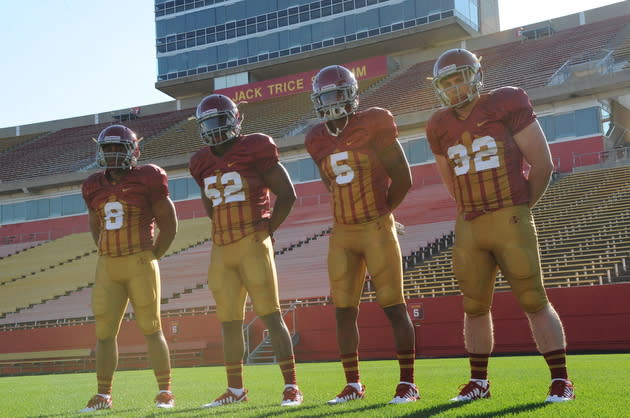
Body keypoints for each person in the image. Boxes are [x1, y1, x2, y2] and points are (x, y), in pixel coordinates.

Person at [426, 48, 575, 403]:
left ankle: (560, 380)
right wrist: (473, 209)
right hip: (470, 223)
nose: (455, 87)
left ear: (476, 75)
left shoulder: (505, 102)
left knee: (534, 299)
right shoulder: (438, 124)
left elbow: (542, 164)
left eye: (460, 77)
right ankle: (479, 382)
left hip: (508, 214)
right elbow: (450, 183)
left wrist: (520, 208)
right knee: (473, 306)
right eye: (447, 82)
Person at [305, 65, 419, 405]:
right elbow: (330, 183)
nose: (333, 101)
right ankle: (353, 384)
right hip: (342, 233)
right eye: (327, 96)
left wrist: (383, 212)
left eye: (339, 94)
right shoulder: (316, 138)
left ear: (353, 94)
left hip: (375, 227)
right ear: (317, 100)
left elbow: (403, 177)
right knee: (342, 311)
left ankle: (408, 383)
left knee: (394, 306)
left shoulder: (373, 123)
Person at [189, 94, 303, 408]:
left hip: (253, 242)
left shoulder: (255, 147)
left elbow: (287, 195)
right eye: (209, 122)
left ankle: (291, 386)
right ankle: (235, 389)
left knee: (271, 315)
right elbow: (210, 203)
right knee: (228, 322)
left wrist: (266, 229)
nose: (216, 127)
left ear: (236, 120)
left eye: (221, 119)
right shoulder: (200, 161)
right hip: (222, 248)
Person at [80, 124, 178, 412]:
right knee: (104, 332)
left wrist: (150, 256)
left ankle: (165, 392)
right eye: (106, 148)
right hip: (108, 265)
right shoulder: (92, 185)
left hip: (139, 260)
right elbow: (95, 227)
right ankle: (103, 395)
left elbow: (169, 225)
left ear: (133, 150)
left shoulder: (148, 177)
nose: (111, 154)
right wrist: (109, 253)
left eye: (117, 148)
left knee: (151, 327)